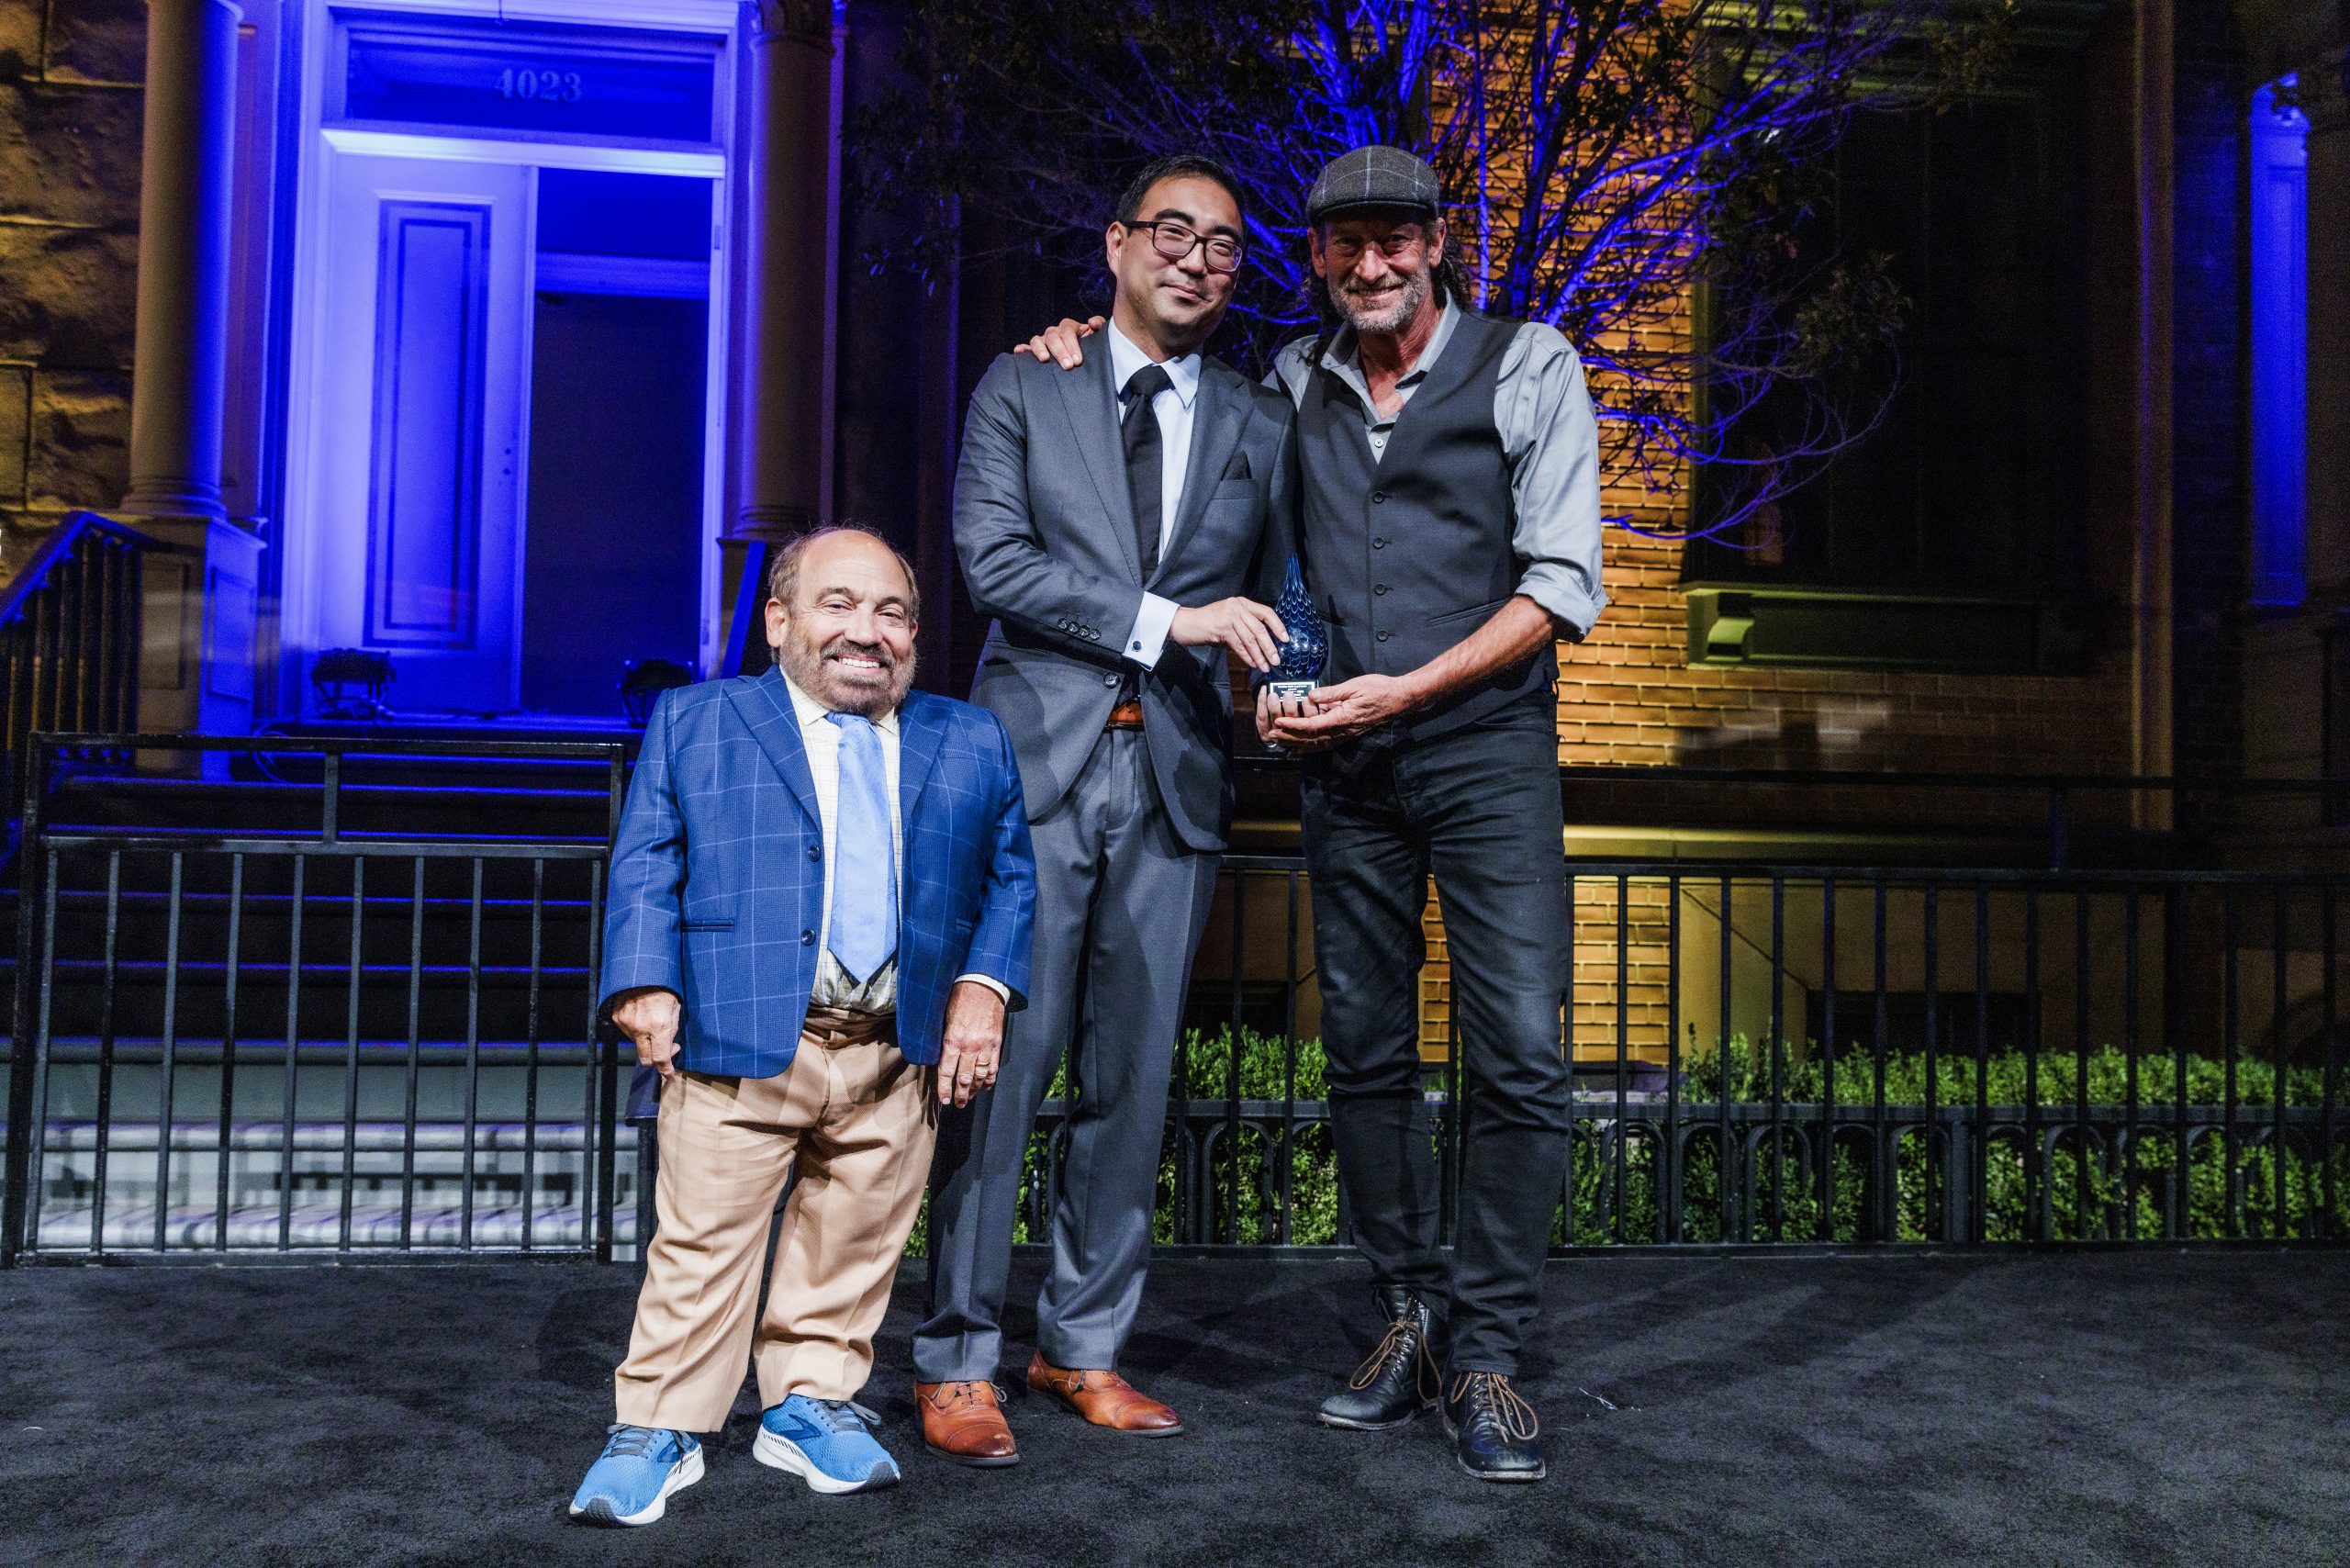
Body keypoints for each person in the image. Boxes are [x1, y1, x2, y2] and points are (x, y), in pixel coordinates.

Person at [1017, 144, 1606, 1483]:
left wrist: (1405, 689)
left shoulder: (1529, 365)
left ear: (1437, 242)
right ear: (1320, 256)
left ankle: (1490, 1349)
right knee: (1364, 1053)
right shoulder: (1289, 380)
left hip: (1484, 751)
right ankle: (1408, 1311)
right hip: (1348, 768)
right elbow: (1247, 544)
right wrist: (1277, 683)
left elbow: (1562, 586)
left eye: (1394, 240)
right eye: (1344, 245)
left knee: (1518, 1050)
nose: (1370, 265)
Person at [912, 153, 1297, 1467]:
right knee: (1001, 1074)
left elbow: (1281, 586)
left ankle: (1079, 1346)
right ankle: (956, 1356)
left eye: (1225, 246)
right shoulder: (1028, 380)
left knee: (1130, 1087)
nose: (1197, 258)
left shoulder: (1259, 416)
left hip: (1181, 773)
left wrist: (1287, 687)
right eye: (1172, 233)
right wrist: (1169, 620)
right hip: (1033, 775)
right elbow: (995, 562)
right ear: (1119, 244)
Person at [569, 526, 1036, 1524]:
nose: (866, 632)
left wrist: (984, 986)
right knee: (699, 1246)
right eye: (838, 604)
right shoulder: (698, 721)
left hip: (891, 1049)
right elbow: (647, 858)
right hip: (740, 1039)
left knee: (855, 1241)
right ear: (779, 619)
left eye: (892, 613)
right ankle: (659, 1425)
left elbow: (1009, 878)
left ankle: (810, 1403)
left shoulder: (969, 736)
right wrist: (644, 980)